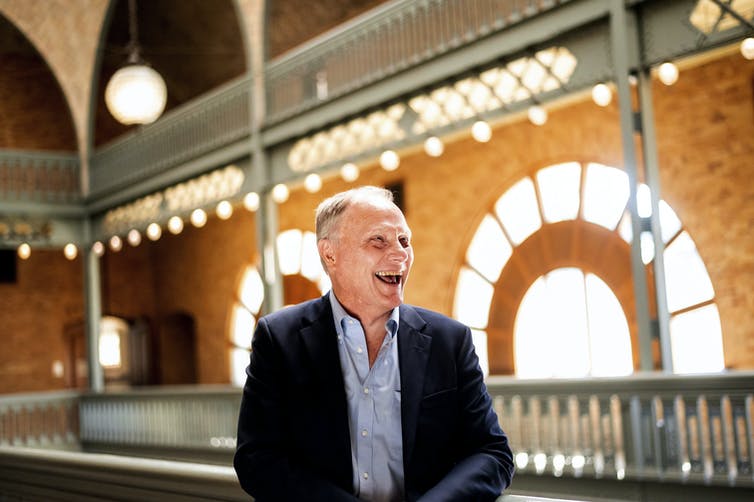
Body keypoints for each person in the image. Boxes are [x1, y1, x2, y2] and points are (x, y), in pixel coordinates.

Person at [234, 186, 514, 501]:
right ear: (330, 254)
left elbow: (492, 453)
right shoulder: (278, 339)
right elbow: (256, 459)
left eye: (404, 241)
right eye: (378, 240)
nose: (399, 254)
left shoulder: (451, 341)